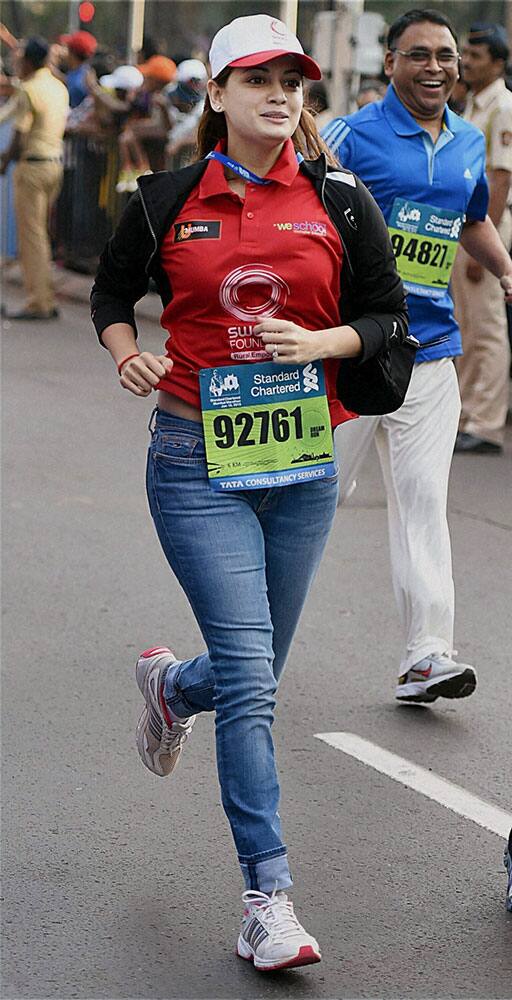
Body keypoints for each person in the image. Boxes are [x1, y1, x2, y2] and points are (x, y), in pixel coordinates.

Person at [91, 12, 407, 972]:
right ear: (218, 94)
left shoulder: (342, 199)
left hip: (304, 465)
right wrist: (127, 355)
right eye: (260, 79)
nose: (282, 94)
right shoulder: (163, 199)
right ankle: (266, 898)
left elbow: (387, 316)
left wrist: (323, 345)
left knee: (244, 672)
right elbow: (111, 297)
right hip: (194, 460)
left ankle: (170, 686)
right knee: (258, 681)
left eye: (295, 81)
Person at [322, 8, 512, 704]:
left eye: (446, 57)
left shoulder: (466, 141)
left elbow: (471, 219)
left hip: (429, 350)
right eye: (419, 55)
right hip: (347, 349)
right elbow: (299, 200)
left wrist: (506, 269)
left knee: (424, 500)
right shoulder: (351, 133)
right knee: (312, 497)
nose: (435, 67)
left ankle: (427, 654)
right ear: (391, 63)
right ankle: (242, 635)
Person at [451, 23, 512, 454]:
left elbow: (501, 176)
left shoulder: (503, 106)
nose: (465, 62)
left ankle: (487, 423)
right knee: (466, 324)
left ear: (497, 61)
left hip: (488, 225)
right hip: (466, 224)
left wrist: (482, 249)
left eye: (474, 55)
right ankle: (468, 413)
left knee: (487, 326)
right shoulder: (474, 102)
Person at [0, 36, 68, 320]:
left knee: (32, 237)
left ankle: (38, 301)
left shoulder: (29, 89)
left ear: (28, 60)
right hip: (54, 165)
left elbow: (20, 132)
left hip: (32, 167)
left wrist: (4, 161)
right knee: (41, 234)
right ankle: (44, 295)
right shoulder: (56, 86)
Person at [60, 30, 97, 108]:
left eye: (67, 49)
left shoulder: (78, 82)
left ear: (72, 54)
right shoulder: (83, 71)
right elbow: (67, 79)